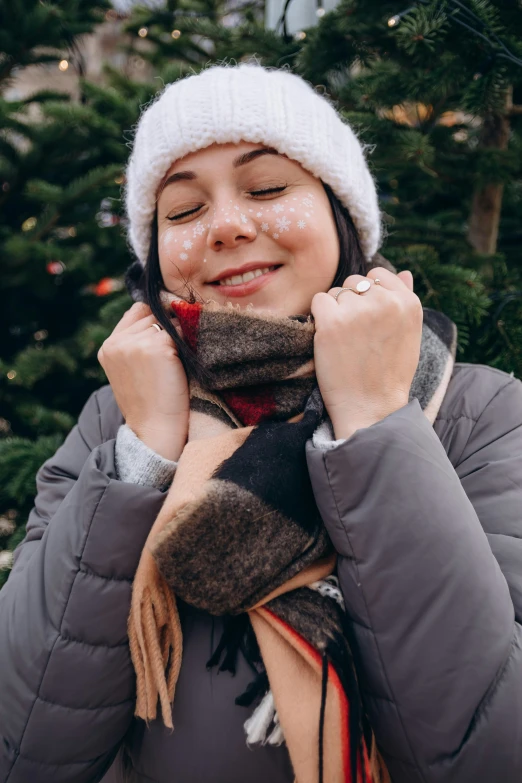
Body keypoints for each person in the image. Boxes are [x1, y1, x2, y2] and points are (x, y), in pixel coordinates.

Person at [1, 61, 522, 783]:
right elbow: (24, 750)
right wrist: (142, 457)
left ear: (341, 212)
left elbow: (494, 753)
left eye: (269, 187)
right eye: (182, 211)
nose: (227, 227)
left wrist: (375, 424)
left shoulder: (482, 415)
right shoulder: (110, 426)